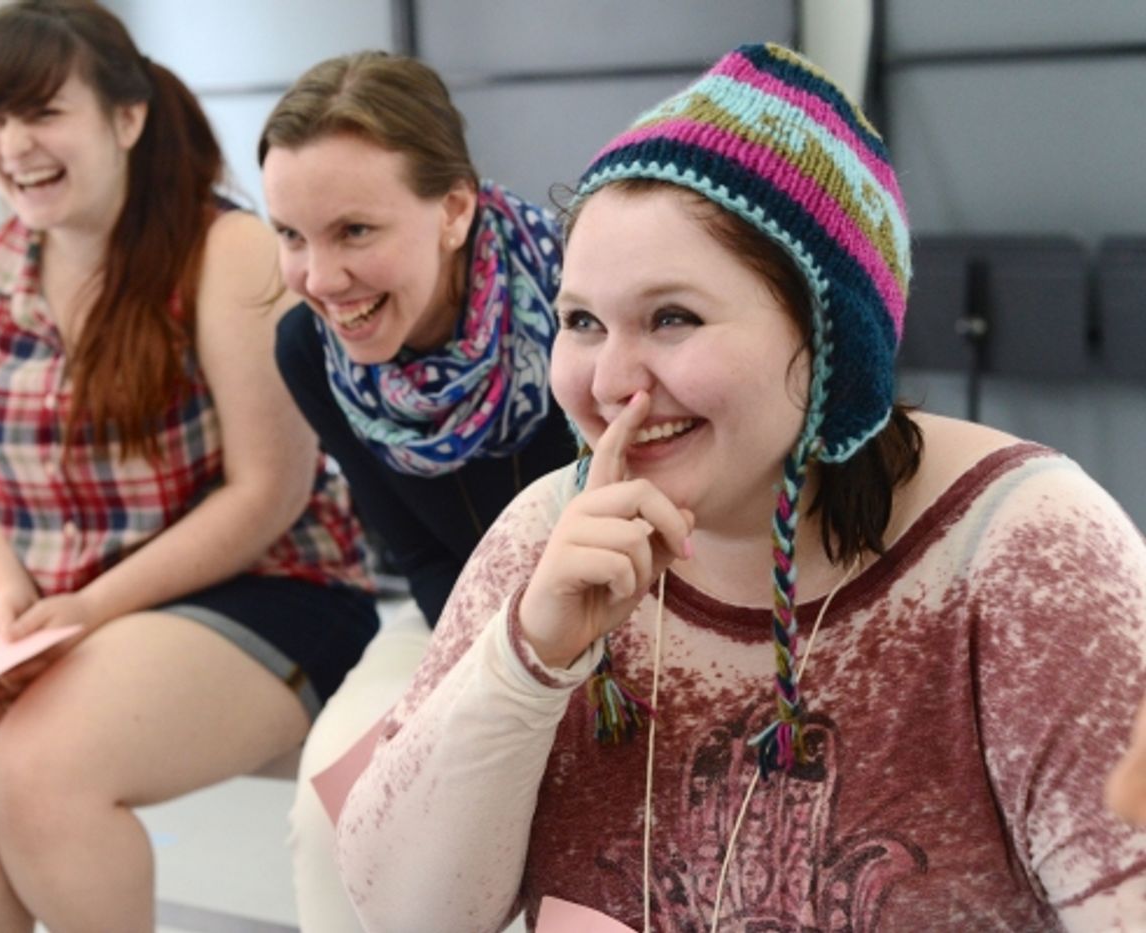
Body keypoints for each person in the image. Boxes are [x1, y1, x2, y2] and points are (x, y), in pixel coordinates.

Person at [336, 42, 1146, 931]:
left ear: (831, 343)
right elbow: (405, 916)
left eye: (672, 317)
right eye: (581, 322)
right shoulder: (550, 533)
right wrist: (530, 659)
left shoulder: (1022, 552)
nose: (609, 380)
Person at [0, 3, 377, 930]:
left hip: (260, 585)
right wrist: (4, 597)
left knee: (41, 769)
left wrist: (90, 609)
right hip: (43, 599)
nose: (13, 145)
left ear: (126, 117)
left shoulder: (225, 251)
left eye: (41, 112)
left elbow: (268, 491)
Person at [258, 51, 576, 931]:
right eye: (290, 235)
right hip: (457, 616)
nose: (320, 278)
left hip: (642, 613)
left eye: (355, 231)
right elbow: (423, 552)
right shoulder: (309, 353)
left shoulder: (581, 304)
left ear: (454, 209)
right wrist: (499, 668)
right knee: (336, 814)